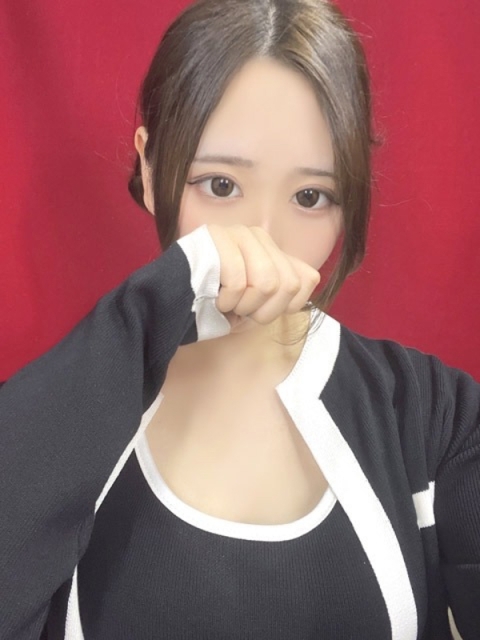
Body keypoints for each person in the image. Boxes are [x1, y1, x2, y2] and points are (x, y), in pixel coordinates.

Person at [0, 0, 478, 638]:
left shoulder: (437, 417)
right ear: (150, 169)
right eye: (221, 185)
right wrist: (140, 316)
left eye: (311, 196)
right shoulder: (61, 408)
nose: (263, 240)